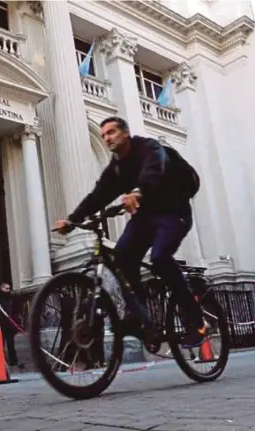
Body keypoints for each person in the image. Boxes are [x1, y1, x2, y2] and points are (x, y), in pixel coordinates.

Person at [55, 116, 206, 348]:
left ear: (125, 133)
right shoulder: (115, 168)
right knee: (123, 256)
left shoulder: (149, 148)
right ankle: (139, 313)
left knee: (159, 258)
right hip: (145, 216)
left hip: (174, 211)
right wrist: (72, 220)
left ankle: (197, 322)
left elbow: (154, 168)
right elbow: (98, 196)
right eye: (104, 134)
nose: (106, 138)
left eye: (111, 132)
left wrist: (138, 191)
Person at [0, 282, 22, 370]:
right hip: (1, 324)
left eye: (9, 288)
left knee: (11, 343)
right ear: (2, 289)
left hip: (10, 324)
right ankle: (1, 361)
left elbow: (15, 310)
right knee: (1, 343)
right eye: (6, 289)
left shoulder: (12, 299)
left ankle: (13, 360)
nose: (8, 290)